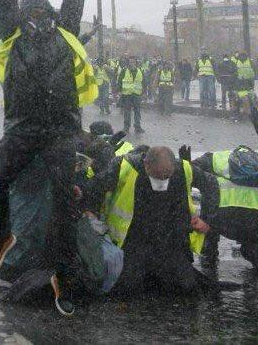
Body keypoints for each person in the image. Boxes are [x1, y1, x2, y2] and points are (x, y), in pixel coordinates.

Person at [0, 0, 92, 316]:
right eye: (33, 11)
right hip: (24, 129)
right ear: (23, 16)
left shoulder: (67, 31)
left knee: (65, 210)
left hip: (60, 132)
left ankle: (66, 279)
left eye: (44, 11)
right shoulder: (11, 35)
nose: (39, 16)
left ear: (53, 14)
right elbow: (4, 1)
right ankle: (1, 239)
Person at [85, 146, 216, 295]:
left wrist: (207, 220)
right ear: (146, 165)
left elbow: (211, 184)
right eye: (158, 175)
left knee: (185, 287)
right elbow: (94, 188)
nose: (162, 181)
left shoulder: (183, 168)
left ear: (174, 166)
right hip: (133, 240)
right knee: (127, 288)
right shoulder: (125, 167)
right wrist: (91, 214)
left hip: (170, 240)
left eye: (167, 176)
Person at [192, 147, 258, 267]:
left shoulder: (217, 158)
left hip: (218, 218)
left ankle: (208, 254)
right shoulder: (255, 166)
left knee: (209, 193)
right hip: (253, 223)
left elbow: (191, 172)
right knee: (251, 247)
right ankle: (251, 250)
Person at [117, 57, 144, 134]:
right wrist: (119, 91)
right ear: (128, 63)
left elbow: (144, 82)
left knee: (137, 111)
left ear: (136, 63)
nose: (132, 63)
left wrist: (144, 93)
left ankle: (137, 127)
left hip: (137, 94)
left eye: (133, 62)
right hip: (127, 95)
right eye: (130, 62)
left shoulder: (140, 71)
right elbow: (119, 80)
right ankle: (126, 128)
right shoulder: (124, 70)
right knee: (127, 112)